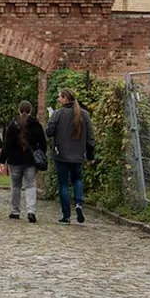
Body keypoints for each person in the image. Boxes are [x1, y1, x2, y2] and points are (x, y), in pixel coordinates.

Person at [47, 88, 95, 224]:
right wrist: (90, 155)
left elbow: (49, 132)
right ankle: (78, 203)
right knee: (77, 179)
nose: (58, 99)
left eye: (59, 97)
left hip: (61, 154)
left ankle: (66, 216)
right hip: (78, 154)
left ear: (65, 99)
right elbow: (90, 138)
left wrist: (50, 120)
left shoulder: (57, 114)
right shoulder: (84, 115)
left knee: (63, 184)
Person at [0, 100, 47, 223]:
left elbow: (7, 144)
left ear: (19, 110)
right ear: (31, 111)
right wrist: (40, 155)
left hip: (15, 160)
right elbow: (43, 144)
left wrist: (1, 160)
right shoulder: (36, 125)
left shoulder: (13, 125)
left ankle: (15, 211)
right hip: (30, 161)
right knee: (30, 185)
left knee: (16, 186)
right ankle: (31, 211)